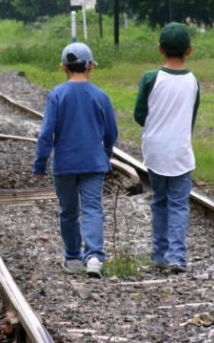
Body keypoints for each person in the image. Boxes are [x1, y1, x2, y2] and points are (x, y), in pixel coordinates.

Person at [33, 42, 118, 277]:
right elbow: (111, 132)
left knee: (68, 211)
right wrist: (107, 152)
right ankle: (93, 258)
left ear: (63, 67)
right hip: (93, 163)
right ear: (90, 66)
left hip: (65, 165)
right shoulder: (100, 96)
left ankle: (72, 257)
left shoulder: (57, 95)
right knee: (92, 209)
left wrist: (40, 163)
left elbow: (46, 134)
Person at [134, 22, 200, 274]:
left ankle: (159, 254)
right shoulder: (193, 80)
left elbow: (140, 114)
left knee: (159, 201)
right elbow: (191, 118)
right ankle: (177, 257)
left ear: (160, 49)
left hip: (155, 151)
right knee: (179, 205)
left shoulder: (150, 78)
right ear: (189, 50)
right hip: (181, 152)